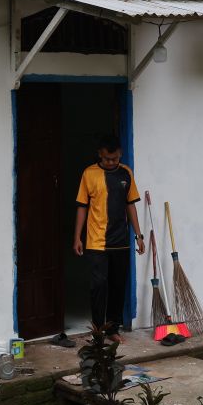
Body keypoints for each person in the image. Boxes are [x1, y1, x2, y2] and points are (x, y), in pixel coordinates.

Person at [73, 135, 145, 343]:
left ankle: (113, 328)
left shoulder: (126, 173)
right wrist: (77, 237)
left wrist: (138, 235)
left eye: (114, 159)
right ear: (100, 156)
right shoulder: (89, 174)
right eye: (107, 159)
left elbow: (130, 204)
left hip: (121, 240)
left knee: (117, 285)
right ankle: (97, 330)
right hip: (96, 241)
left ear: (120, 154)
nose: (111, 163)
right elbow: (82, 206)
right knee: (99, 285)